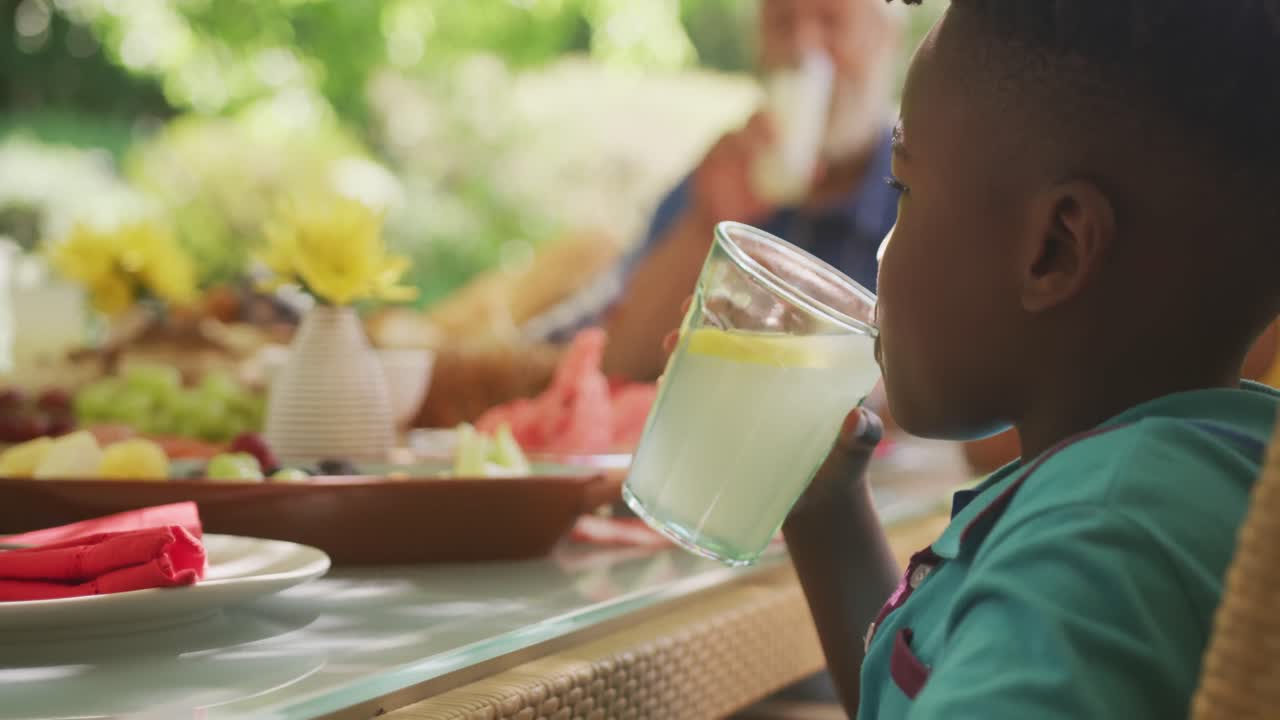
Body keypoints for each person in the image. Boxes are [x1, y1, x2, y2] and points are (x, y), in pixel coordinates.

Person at [668, 2, 1280, 717]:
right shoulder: (1199, 465)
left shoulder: (1092, 553)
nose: (880, 250)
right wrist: (826, 510)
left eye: (905, 189)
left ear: (1053, 248)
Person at [601, 0, 904, 381]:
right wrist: (702, 228)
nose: (803, 48)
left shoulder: (926, 200)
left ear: (887, 39)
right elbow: (615, 363)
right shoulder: (718, 181)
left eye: (832, 22)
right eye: (780, 24)